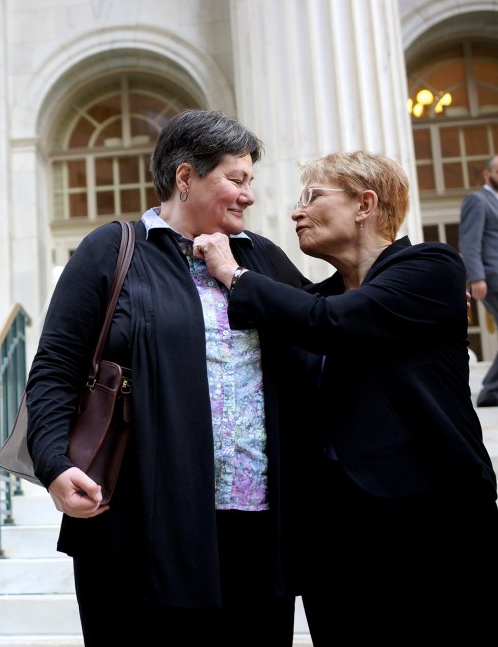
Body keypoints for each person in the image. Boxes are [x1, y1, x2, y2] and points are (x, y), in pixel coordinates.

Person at [25, 109, 317, 645]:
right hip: (139, 528)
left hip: (255, 531)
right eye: (236, 178)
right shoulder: (112, 249)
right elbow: (55, 368)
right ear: (185, 178)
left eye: (250, 181)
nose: (248, 195)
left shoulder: (262, 259)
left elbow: (325, 329)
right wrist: (54, 463)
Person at [194, 150, 498, 644]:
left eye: (312, 197)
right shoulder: (319, 296)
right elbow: (304, 316)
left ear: (365, 205)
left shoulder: (431, 267)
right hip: (333, 535)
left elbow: (331, 325)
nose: (296, 211)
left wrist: (234, 272)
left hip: (431, 524)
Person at [458, 154, 498, 406]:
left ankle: (491, 390)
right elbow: (469, 242)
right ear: (487, 174)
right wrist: (476, 277)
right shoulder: (477, 200)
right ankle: (491, 390)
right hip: (492, 275)